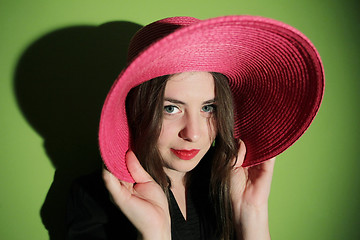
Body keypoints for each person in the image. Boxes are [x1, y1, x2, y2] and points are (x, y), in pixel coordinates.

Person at [67, 16, 324, 240]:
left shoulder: (229, 181)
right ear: (138, 109)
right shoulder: (93, 197)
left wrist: (253, 215)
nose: (194, 134)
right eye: (171, 108)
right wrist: (154, 234)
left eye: (208, 108)